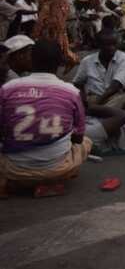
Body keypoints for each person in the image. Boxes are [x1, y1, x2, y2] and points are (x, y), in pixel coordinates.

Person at [0, 40, 91, 196]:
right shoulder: (71, 92)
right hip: (55, 169)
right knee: (86, 142)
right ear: (59, 64)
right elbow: (77, 138)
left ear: (32, 60)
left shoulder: (8, 88)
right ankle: (54, 180)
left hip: (13, 170)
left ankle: (13, 184)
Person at [73, 33, 125, 109]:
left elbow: (116, 85)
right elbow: (77, 83)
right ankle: (101, 113)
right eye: (108, 45)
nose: (112, 48)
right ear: (99, 45)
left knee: (123, 98)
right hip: (93, 97)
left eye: (114, 44)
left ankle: (95, 112)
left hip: (114, 97)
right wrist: (83, 99)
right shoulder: (87, 61)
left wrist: (96, 104)